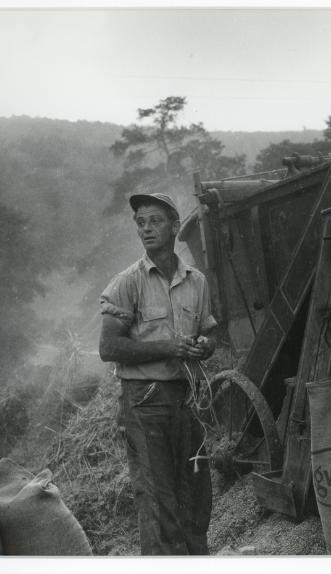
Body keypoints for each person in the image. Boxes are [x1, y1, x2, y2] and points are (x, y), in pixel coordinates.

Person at [98, 192, 217, 555]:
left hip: (187, 397)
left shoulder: (196, 281)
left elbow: (209, 331)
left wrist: (204, 346)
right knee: (158, 499)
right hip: (145, 401)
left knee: (196, 494)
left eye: (155, 221)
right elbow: (109, 348)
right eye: (140, 222)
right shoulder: (126, 283)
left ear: (175, 226)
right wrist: (168, 347)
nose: (146, 229)